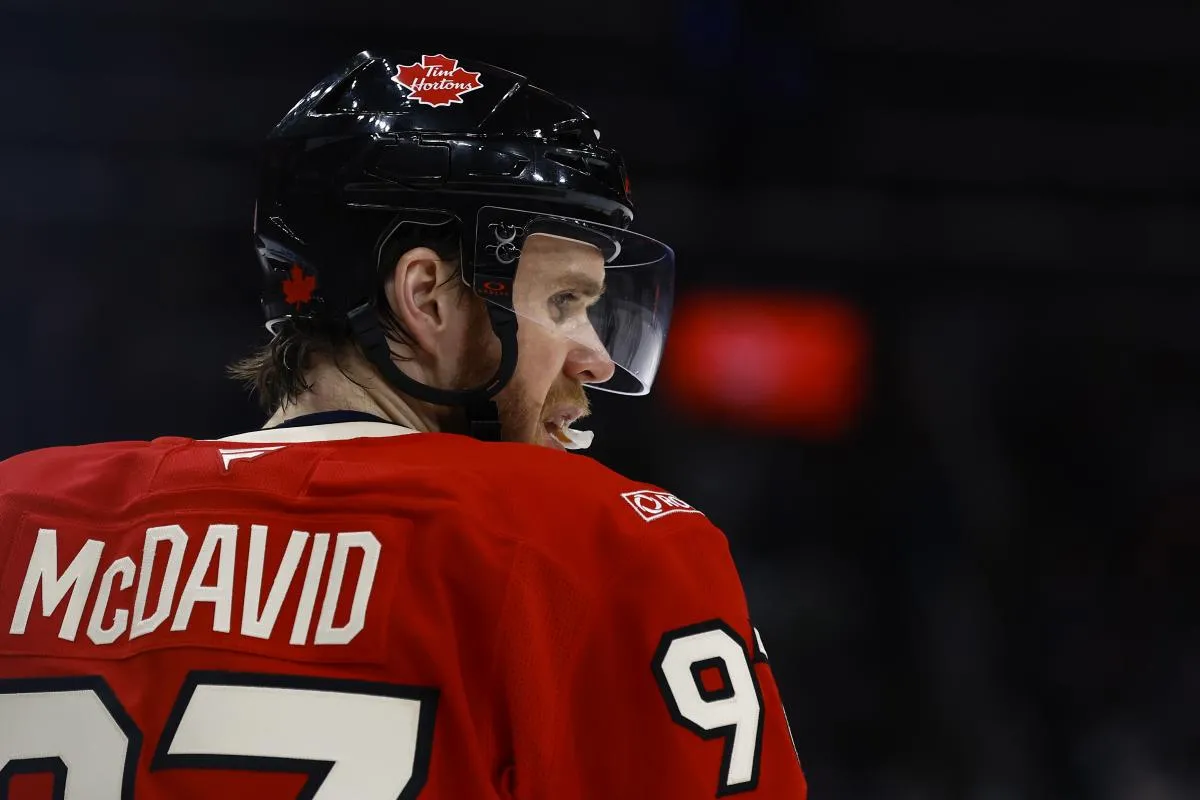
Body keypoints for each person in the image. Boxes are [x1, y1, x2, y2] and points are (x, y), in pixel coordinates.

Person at [0, 50, 807, 798]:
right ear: (424, 297)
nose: (594, 357)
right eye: (564, 301)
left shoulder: (19, 517)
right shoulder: (592, 541)